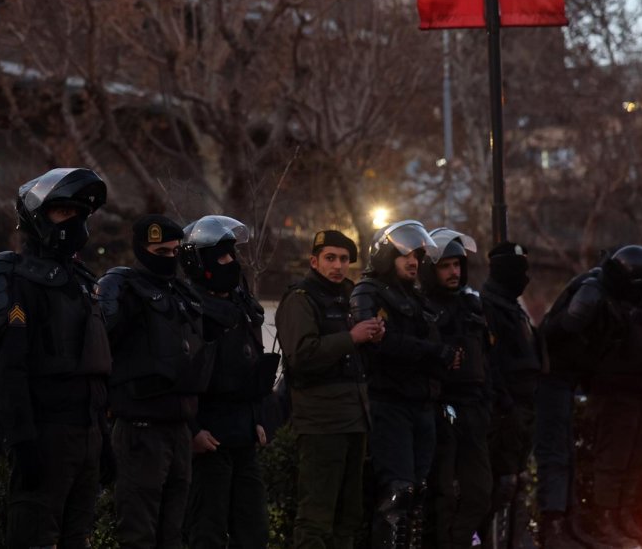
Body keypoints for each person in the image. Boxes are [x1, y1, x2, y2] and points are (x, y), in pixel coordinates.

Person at [0, 167, 111, 548]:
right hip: (45, 434)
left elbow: (98, 370)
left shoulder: (83, 281)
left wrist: (103, 436)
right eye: (63, 213)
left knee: (78, 538)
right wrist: (21, 440)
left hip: (87, 435)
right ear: (37, 216)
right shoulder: (14, 276)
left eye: (79, 214)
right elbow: (9, 369)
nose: (75, 223)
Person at [544, 245, 642, 548]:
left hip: (629, 390)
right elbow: (562, 333)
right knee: (610, 461)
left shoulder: (626, 299)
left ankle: (621, 518)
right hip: (603, 390)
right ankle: (604, 520)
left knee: (633, 458)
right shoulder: (594, 294)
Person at [97, 214, 211, 549]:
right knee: (139, 531)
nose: (170, 259)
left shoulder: (180, 294)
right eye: (161, 252)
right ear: (142, 250)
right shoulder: (125, 288)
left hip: (178, 428)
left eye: (175, 252)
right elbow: (105, 344)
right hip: (140, 428)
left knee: (172, 533)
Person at [351, 221, 456, 549]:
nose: (413, 261)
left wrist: (440, 354)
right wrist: (433, 352)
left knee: (418, 492)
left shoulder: (418, 299)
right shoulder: (368, 291)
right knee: (398, 491)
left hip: (421, 403)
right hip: (389, 402)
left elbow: (432, 345)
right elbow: (382, 344)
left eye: (417, 255)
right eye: (404, 255)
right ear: (386, 256)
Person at [275, 229, 381, 549]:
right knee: (317, 515)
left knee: (348, 515)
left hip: (354, 416)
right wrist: (353, 337)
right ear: (314, 261)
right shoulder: (300, 299)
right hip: (321, 420)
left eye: (344, 259)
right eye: (330, 258)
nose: (338, 265)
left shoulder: (348, 295)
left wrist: (373, 335)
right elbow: (301, 355)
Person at [180, 215, 277, 549]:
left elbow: (251, 366)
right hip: (209, 440)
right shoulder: (188, 307)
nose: (231, 263)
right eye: (222, 257)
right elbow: (180, 377)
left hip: (243, 437)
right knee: (206, 530)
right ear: (200, 261)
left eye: (232, 255)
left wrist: (259, 417)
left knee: (253, 531)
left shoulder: (241, 305)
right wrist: (193, 429)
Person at [423, 228, 493, 549]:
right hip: (442, 408)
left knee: (479, 491)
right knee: (444, 495)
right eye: (445, 266)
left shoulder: (472, 305)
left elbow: (487, 359)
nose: (453, 272)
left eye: (457, 265)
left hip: (473, 409)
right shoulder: (424, 308)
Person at [479, 242, 541, 549]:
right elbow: (492, 361)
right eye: (520, 270)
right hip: (506, 410)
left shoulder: (514, 306)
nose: (526, 277)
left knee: (519, 479)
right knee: (503, 482)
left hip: (523, 406)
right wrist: (505, 404)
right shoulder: (489, 305)